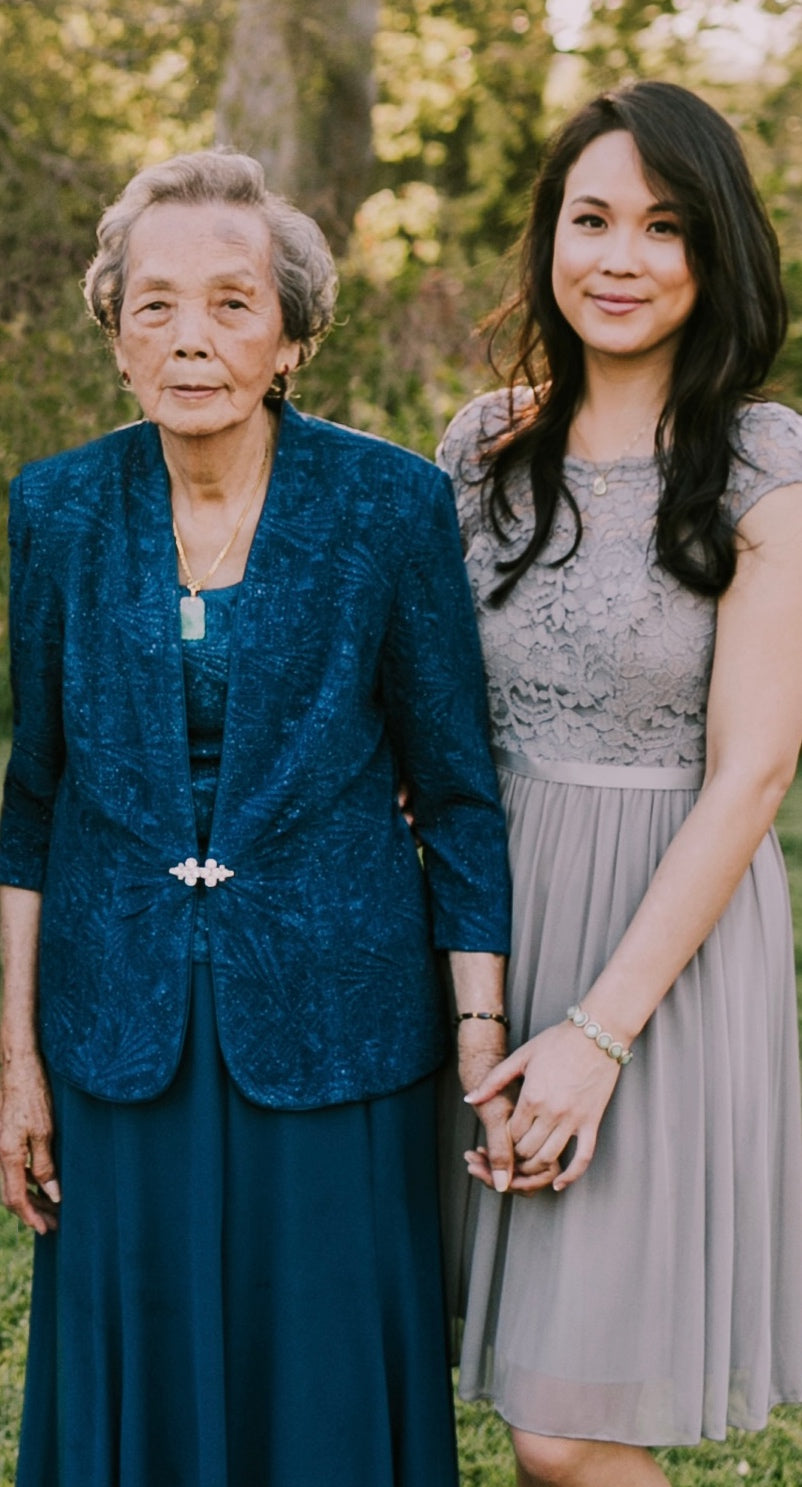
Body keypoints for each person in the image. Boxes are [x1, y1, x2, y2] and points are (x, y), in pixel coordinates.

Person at [0, 148, 514, 1487]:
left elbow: (456, 788)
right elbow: (34, 794)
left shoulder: (391, 504)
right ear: (113, 333)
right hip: (117, 1027)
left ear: (291, 337)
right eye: (154, 304)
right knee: (141, 1381)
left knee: (325, 1385)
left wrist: (479, 1025)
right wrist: (14, 1060)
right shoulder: (51, 509)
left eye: (233, 303)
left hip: (341, 1023)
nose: (191, 338)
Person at [437, 81, 802, 1487]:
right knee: (491, 1369)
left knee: (567, 1431)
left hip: (661, 940)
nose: (619, 258)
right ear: (546, 241)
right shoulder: (478, 446)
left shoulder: (766, 469)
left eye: (662, 227)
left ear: (712, 256)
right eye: (589, 219)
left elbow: (753, 769)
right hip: (486, 924)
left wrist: (596, 1034)